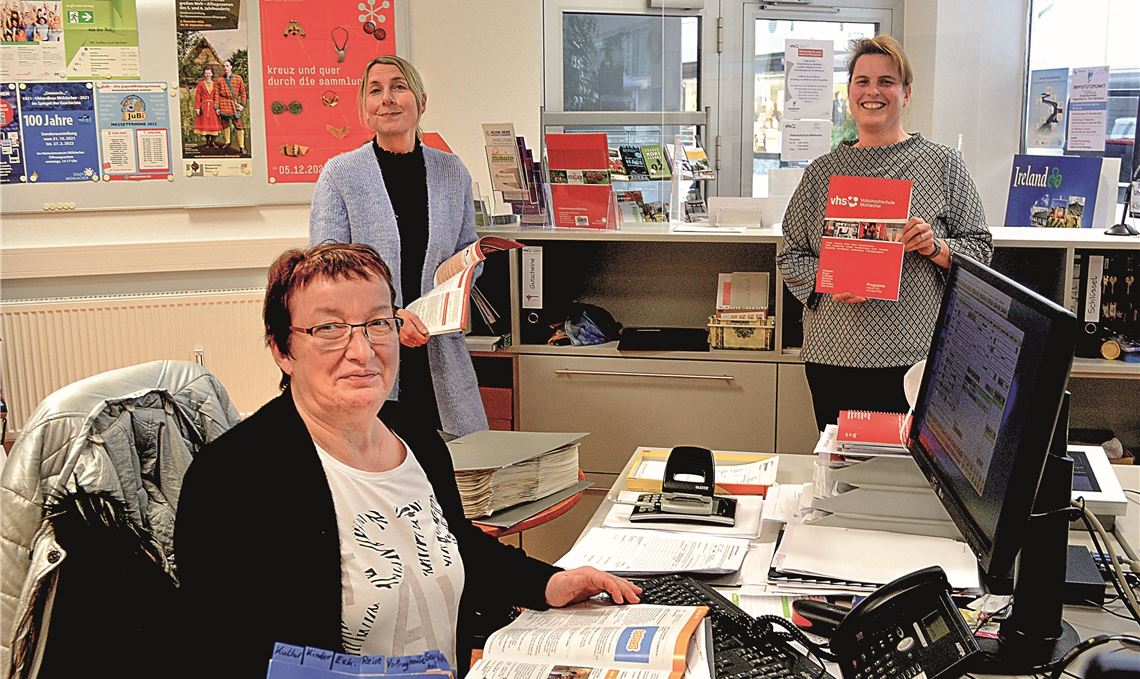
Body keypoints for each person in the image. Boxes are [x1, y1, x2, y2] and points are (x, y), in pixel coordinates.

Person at [175, 243, 640, 678]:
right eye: (329, 329)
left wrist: (550, 584)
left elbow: (456, 546)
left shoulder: (412, 434)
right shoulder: (232, 478)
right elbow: (231, 654)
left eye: (378, 323)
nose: (362, 351)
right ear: (282, 350)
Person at [776, 35, 993, 432]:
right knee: (840, 477)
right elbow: (790, 254)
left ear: (906, 93)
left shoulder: (941, 165)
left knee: (911, 478)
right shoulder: (822, 173)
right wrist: (828, 279)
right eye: (862, 81)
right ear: (849, 92)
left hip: (916, 359)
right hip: (834, 356)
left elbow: (981, 249)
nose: (873, 91)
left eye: (886, 81)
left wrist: (936, 247)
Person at [311, 55, 485, 436]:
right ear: (365, 109)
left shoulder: (452, 171)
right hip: (369, 350)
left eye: (398, 87)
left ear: (421, 102)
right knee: (382, 467)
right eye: (375, 90)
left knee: (456, 470)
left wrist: (462, 278)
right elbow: (327, 270)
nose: (387, 98)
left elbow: (466, 250)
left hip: (437, 348)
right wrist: (390, 318)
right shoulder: (341, 175)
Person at [216, 59, 247, 154]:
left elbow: (243, 93)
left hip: (234, 104)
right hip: (223, 103)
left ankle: (242, 146)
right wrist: (217, 107)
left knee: (239, 125)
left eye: (227, 66)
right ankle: (227, 142)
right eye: (224, 66)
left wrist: (242, 105)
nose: (225, 68)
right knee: (225, 124)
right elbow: (216, 94)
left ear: (231, 67)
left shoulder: (238, 78)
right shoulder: (219, 79)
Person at [193, 65, 222, 150]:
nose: (207, 75)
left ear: (212, 74)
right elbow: (198, 96)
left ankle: (213, 142)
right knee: (205, 124)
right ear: (204, 74)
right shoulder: (201, 84)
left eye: (209, 73)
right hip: (204, 106)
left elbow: (218, 96)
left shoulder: (216, 84)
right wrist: (197, 108)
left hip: (213, 107)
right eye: (206, 73)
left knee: (214, 124)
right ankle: (207, 142)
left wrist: (218, 107)